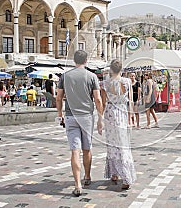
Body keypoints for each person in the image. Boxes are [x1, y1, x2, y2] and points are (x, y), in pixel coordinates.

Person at [56, 50, 104, 197]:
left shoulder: (65, 76)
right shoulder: (92, 76)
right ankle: (87, 177)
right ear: (86, 60)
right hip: (87, 117)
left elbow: (58, 98)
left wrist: (60, 115)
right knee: (87, 148)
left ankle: (77, 185)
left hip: (71, 116)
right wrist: (100, 118)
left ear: (74, 60)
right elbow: (97, 99)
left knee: (74, 150)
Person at [101, 59, 137, 190]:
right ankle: (126, 177)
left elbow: (103, 102)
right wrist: (131, 114)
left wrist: (100, 118)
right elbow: (131, 101)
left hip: (110, 113)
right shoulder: (127, 82)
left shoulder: (105, 83)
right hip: (122, 112)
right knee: (123, 144)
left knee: (112, 143)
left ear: (111, 69)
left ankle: (114, 173)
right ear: (121, 70)